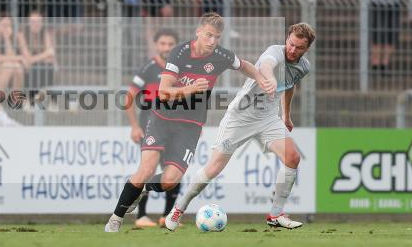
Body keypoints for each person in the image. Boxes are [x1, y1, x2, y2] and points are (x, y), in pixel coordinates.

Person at [104, 12, 271, 232]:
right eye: (209, 35)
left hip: (190, 126)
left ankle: (142, 189)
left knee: (170, 181)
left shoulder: (221, 55)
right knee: (146, 168)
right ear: (199, 32)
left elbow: (244, 65)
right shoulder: (180, 53)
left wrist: (261, 78)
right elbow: (163, 92)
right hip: (162, 118)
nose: (212, 41)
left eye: (217, 37)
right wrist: (189, 89)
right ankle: (115, 219)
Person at [167, 23, 315, 231]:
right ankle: (178, 210)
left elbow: (290, 85)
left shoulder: (304, 66)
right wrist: (270, 79)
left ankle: (275, 214)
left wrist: (286, 115)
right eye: (291, 44)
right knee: (214, 168)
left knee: (293, 157)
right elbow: (266, 66)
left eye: (299, 48)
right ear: (287, 39)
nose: (292, 50)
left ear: (306, 49)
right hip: (240, 116)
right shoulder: (275, 52)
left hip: (268, 118)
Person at [124, 28, 180, 227]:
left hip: (175, 128)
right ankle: (141, 216)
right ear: (157, 45)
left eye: (170, 44)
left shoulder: (181, 68)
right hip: (150, 126)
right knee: (147, 170)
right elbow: (129, 97)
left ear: (176, 46)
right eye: (162, 44)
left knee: (173, 169)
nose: (166, 47)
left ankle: (168, 216)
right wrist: (134, 126)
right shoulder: (148, 68)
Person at [17, 9, 57, 96]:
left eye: (39, 21)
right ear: (28, 22)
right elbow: (28, 59)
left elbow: (51, 57)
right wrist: (45, 54)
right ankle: (31, 98)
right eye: (33, 21)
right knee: (33, 67)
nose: (36, 24)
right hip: (25, 66)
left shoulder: (45, 33)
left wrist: (44, 56)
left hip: (40, 64)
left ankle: (52, 100)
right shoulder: (21, 34)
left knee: (48, 65)